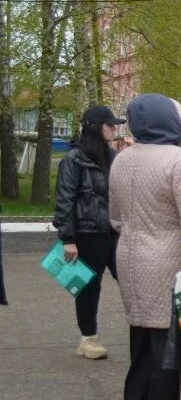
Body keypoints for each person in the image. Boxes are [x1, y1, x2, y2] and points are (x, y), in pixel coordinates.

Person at [108, 94, 181, 400]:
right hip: (166, 258)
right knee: (167, 352)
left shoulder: (122, 158)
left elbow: (115, 216)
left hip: (129, 255)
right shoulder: (180, 160)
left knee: (141, 349)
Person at [53, 104, 126, 360]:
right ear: (95, 127)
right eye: (110, 124)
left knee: (128, 278)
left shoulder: (113, 155)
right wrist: (68, 238)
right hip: (87, 232)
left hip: (114, 231)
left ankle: (148, 329)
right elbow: (65, 199)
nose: (114, 128)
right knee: (88, 286)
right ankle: (88, 339)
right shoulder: (74, 159)